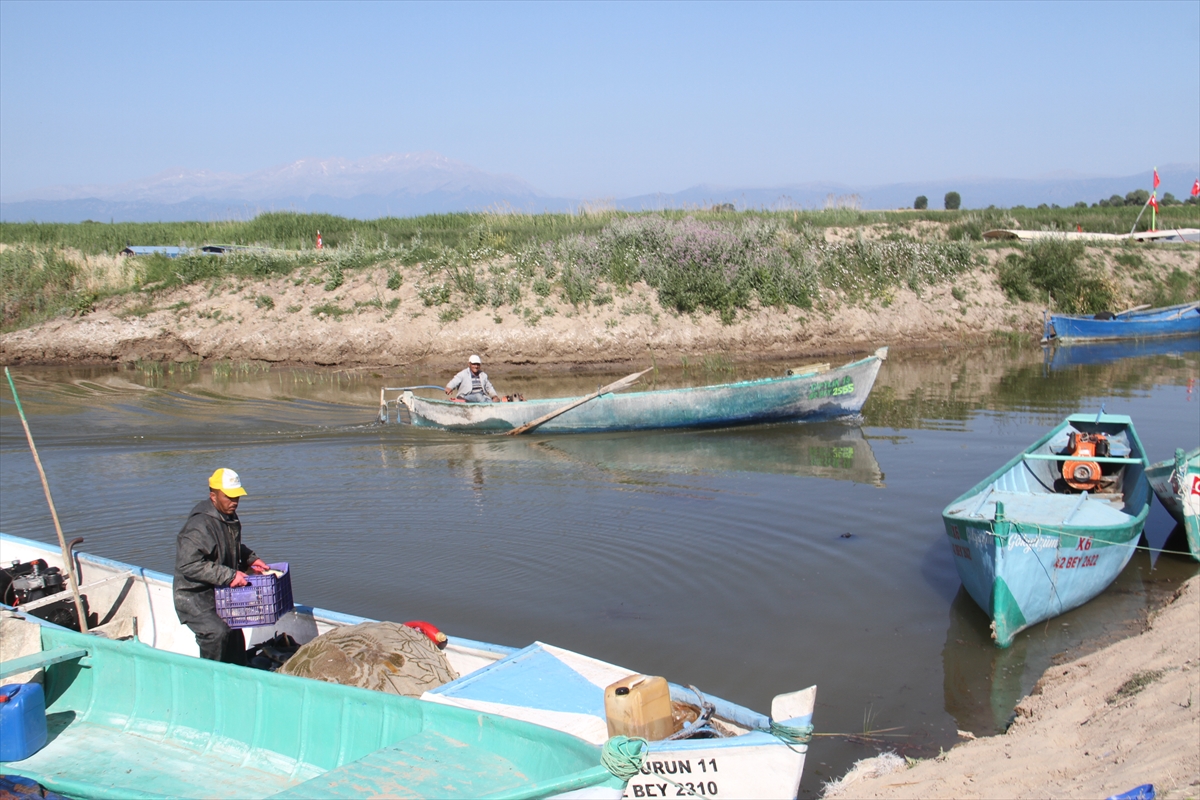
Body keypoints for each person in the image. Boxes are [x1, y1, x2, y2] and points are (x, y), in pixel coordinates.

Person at [173, 468, 268, 664]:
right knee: (217, 633)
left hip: (218, 591)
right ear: (213, 496)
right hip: (194, 596)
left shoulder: (228, 515)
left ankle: (236, 674)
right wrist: (230, 576)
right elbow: (188, 564)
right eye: (229, 497)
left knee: (235, 633)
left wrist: (249, 557)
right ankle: (209, 678)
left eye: (237, 497)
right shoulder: (199, 525)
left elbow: (227, 545)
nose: (234, 501)